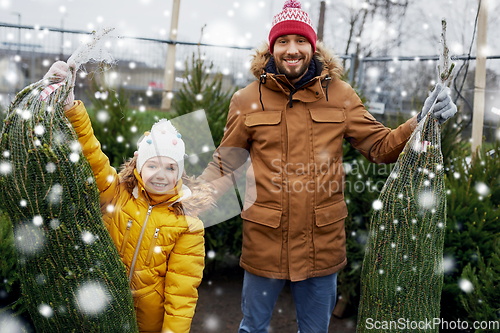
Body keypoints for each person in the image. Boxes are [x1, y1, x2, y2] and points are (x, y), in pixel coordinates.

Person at [198, 0, 458, 332]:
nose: (292, 49)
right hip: (265, 241)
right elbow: (226, 163)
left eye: (301, 41)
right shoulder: (247, 99)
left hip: (320, 245)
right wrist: (187, 199)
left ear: (313, 46)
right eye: (283, 41)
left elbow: (380, 146)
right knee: (253, 328)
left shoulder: (340, 96)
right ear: (271, 48)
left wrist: (420, 122)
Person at [43, 62, 214, 333]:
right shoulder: (118, 194)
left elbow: (181, 296)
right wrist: (70, 104)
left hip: (146, 323)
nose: (161, 174)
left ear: (180, 173)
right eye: (152, 165)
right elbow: (92, 155)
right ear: (138, 166)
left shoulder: (187, 226)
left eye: (171, 167)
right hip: (102, 309)